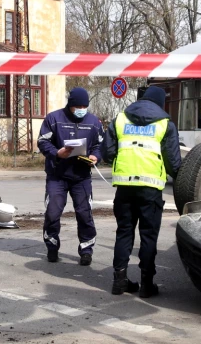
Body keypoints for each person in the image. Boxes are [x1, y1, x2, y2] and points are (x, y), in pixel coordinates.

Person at [103, 86, 182, 297]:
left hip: (124, 188)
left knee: (124, 232)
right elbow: (174, 163)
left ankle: (119, 282)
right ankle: (147, 285)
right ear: (160, 104)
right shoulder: (166, 124)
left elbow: (108, 154)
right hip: (151, 190)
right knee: (148, 236)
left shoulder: (120, 120)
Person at [37, 87, 104, 266]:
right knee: (53, 212)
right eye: (78, 106)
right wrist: (57, 153)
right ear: (70, 105)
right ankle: (52, 246)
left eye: (85, 106)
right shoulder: (54, 119)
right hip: (57, 175)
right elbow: (42, 141)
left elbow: (99, 145)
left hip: (81, 177)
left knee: (84, 214)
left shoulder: (93, 121)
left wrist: (95, 157)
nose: (82, 109)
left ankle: (86, 250)